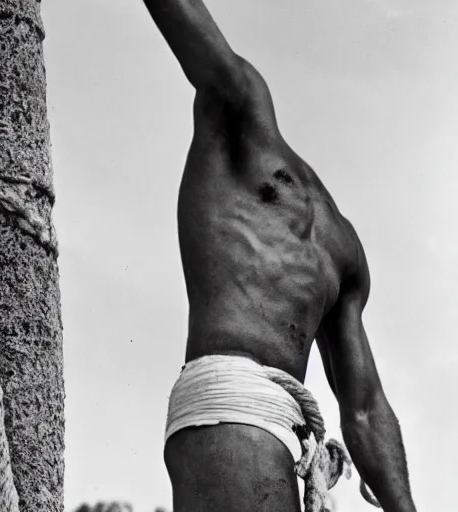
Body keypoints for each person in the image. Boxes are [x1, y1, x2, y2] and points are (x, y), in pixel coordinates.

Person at [140, 1, 417, 511]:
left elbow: (365, 407)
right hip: (231, 396)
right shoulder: (242, 109)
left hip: (286, 425)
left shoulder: (344, 249)